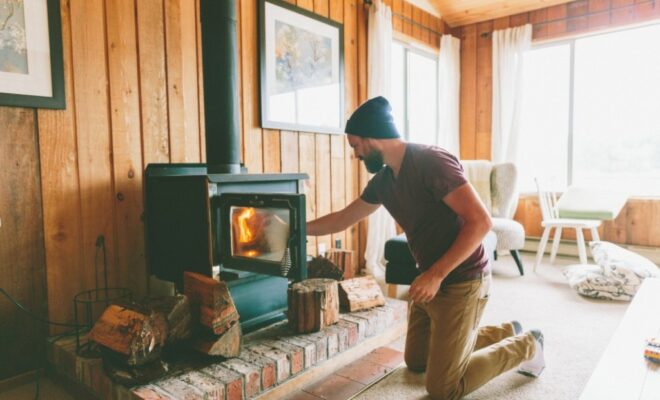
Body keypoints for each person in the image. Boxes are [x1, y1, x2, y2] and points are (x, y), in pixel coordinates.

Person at [306, 96, 545, 400]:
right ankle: (505, 331)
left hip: (462, 279)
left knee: (443, 388)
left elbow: (481, 222)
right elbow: (343, 218)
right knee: (416, 361)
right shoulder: (383, 181)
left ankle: (527, 343)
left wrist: (435, 274)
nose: (355, 154)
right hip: (429, 281)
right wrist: (298, 228)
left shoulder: (431, 161)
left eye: (356, 146)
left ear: (373, 137)